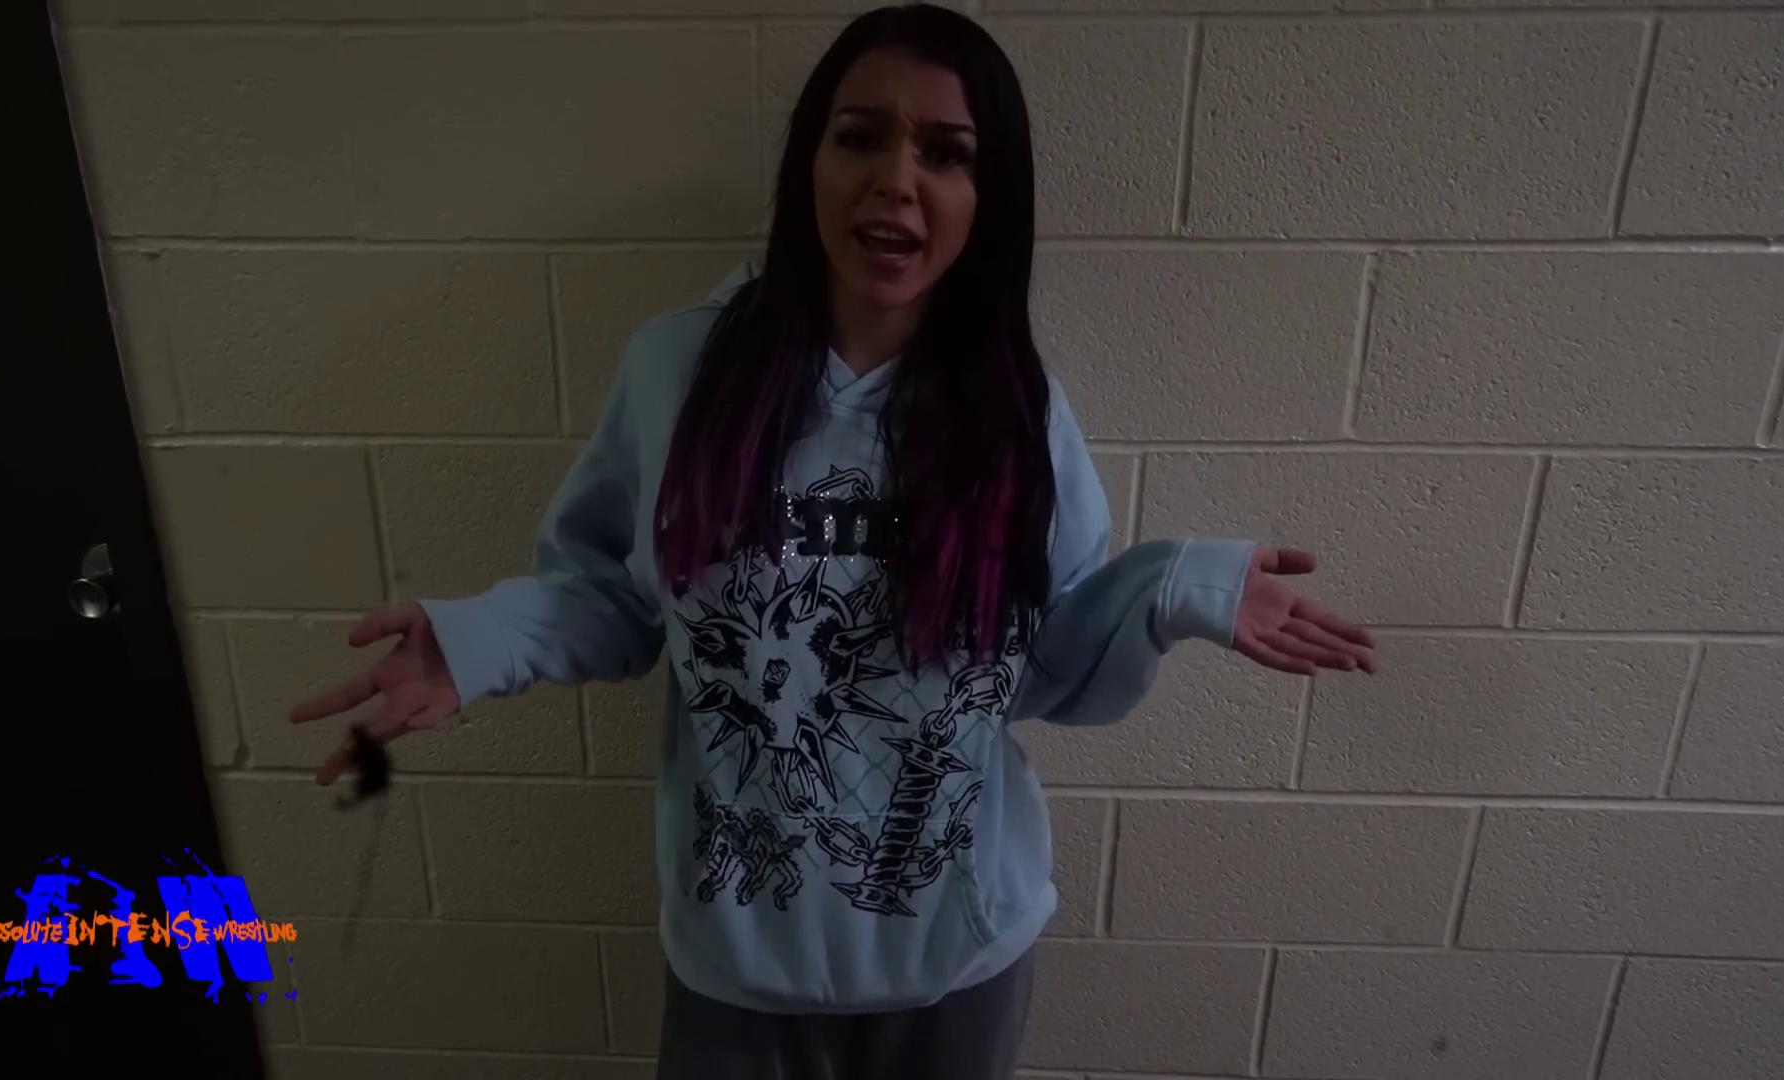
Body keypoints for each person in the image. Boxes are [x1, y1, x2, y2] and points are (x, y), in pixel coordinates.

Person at [290, 4, 1379, 1077]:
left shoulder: (1016, 410)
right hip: (737, 960)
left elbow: (1040, 669)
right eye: (860, 137)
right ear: (808, 163)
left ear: (987, 196)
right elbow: (615, 600)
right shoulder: (677, 372)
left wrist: (1174, 587)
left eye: (945, 153)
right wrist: (479, 641)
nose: (896, 179)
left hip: (957, 961)